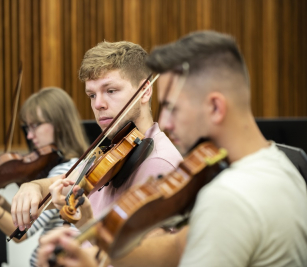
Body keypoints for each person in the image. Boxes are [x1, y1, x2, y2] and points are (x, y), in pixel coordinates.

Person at [38, 31, 307, 267]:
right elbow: (174, 248)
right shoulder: (280, 165)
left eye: (173, 108)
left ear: (215, 107)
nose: (164, 122)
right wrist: (92, 230)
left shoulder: (229, 198)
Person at [10, 41, 182, 234]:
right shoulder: (111, 152)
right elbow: (61, 184)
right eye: (92, 95)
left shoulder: (158, 163)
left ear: (145, 91)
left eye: (111, 91)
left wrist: (86, 225)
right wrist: (32, 187)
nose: (98, 104)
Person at [0, 87, 89, 267]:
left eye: (36, 125)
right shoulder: (65, 165)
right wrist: (7, 206)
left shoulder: (65, 170)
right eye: (27, 127)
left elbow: (20, 233)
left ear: (59, 123)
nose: (30, 136)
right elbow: (36, 217)